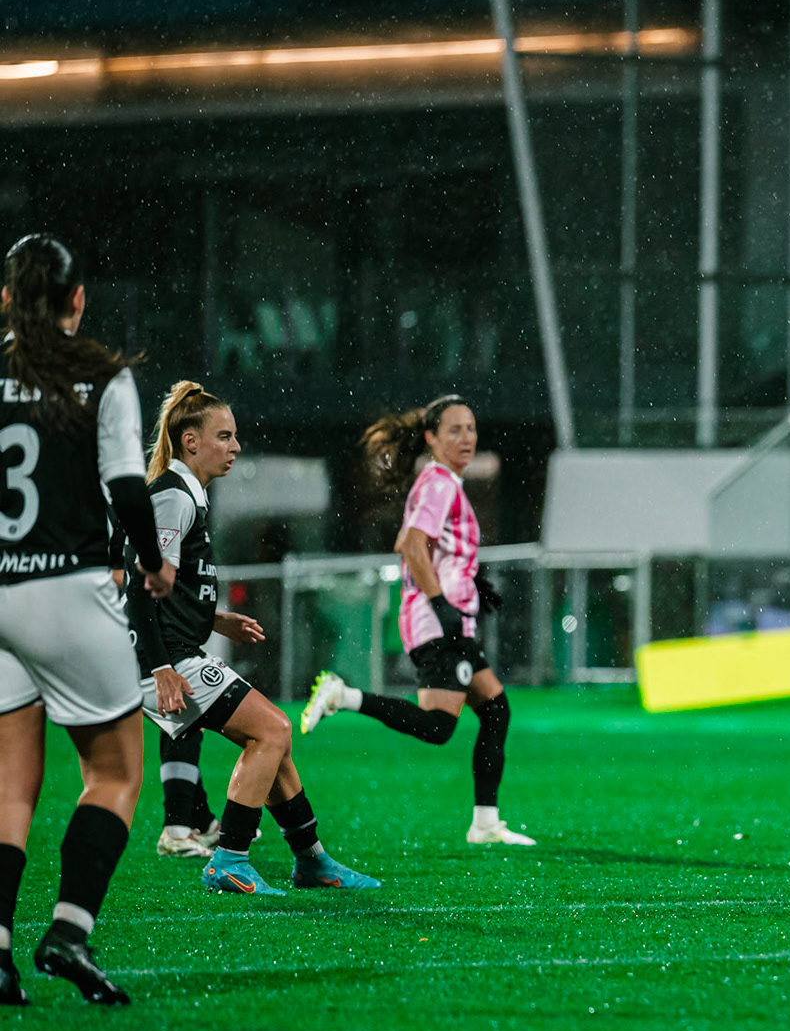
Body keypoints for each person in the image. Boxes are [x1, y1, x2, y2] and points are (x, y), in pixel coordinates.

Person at [0, 233, 175, 1006]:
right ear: (77, 299)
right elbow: (127, 488)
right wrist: (153, 562)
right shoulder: (100, 375)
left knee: (9, 788)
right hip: (66, 588)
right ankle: (69, 931)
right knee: (114, 773)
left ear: (6, 299)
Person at [124, 382, 377, 896]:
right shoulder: (173, 496)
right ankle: (230, 858)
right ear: (190, 442)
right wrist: (160, 667)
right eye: (225, 436)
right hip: (167, 660)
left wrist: (214, 619)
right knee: (274, 730)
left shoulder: (183, 493)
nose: (236, 447)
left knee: (274, 741)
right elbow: (139, 588)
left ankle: (313, 861)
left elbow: (167, 587)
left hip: (177, 650)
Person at [299, 396, 528, 845]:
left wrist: (471, 584)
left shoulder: (444, 483)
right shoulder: (440, 482)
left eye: (471, 429)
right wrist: (442, 601)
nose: (466, 438)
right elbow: (411, 543)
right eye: (454, 430)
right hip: (437, 622)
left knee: (496, 710)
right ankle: (343, 696)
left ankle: (485, 823)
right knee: (438, 727)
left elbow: (428, 546)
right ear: (431, 438)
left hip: (450, 618)